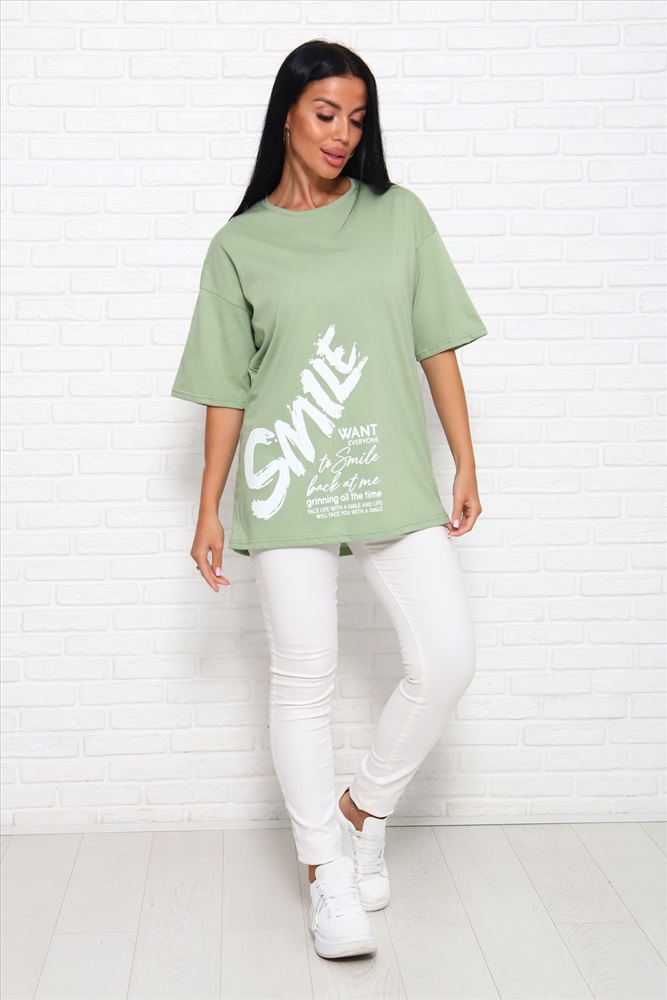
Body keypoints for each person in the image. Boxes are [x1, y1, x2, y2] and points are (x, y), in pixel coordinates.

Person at [171, 39, 488, 962]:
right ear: (287, 116)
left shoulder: (398, 216)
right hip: (286, 477)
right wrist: (208, 508)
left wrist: (464, 459)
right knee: (301, 679)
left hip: (391, 470)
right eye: (325, 114)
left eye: (356, 118)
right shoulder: (239, 245)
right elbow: (226, 389)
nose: (343, 133)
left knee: (446, 660)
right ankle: (324, 874)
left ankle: (360, 813)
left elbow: (435, 344)